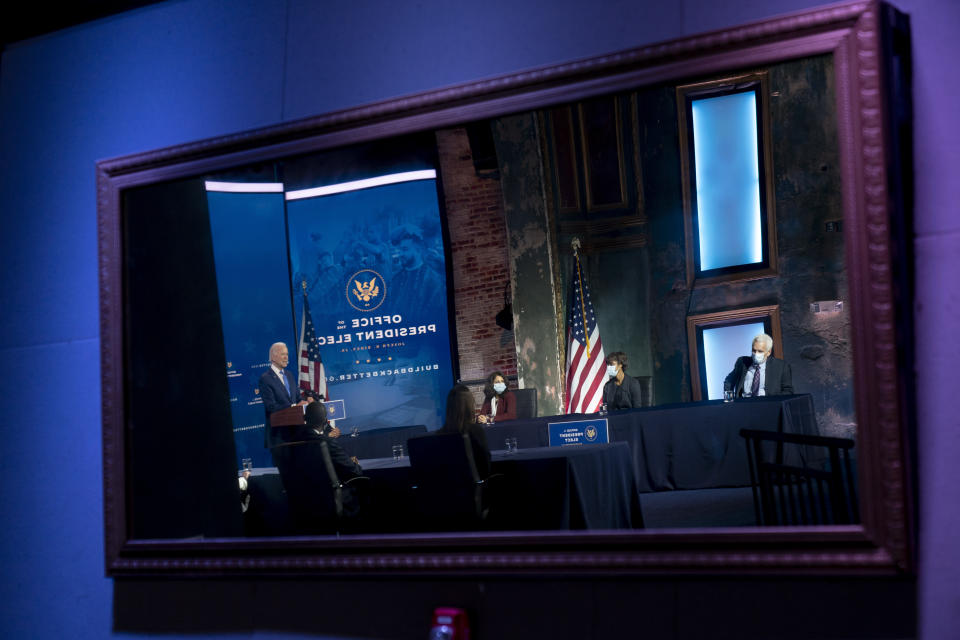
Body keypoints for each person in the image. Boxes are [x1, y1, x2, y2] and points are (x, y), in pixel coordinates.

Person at [258, 342, 310, 448]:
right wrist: (293, 407)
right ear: (273, 357)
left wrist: (306, 401)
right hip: (280, 436)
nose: (286, 357)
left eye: (287, 354)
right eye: (283, 354)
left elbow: (297, 398)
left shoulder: (289, 375)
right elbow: (271, 407)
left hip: (296, 432)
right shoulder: (265, 379)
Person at [438, 384, 491, 479]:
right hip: (474, 490)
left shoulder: (438, 435)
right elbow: (486, 467)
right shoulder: (476, 431)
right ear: (470, 405)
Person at [723, 333, 794, 397]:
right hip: (744, 404)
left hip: (768, 405)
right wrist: (730, 400)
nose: (756, 354)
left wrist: (775, 403)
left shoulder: (781, 366)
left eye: (760, 351)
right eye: (754, 350)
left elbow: (788, 391)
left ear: (768, 352)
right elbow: (729, 381)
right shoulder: (742, 362)